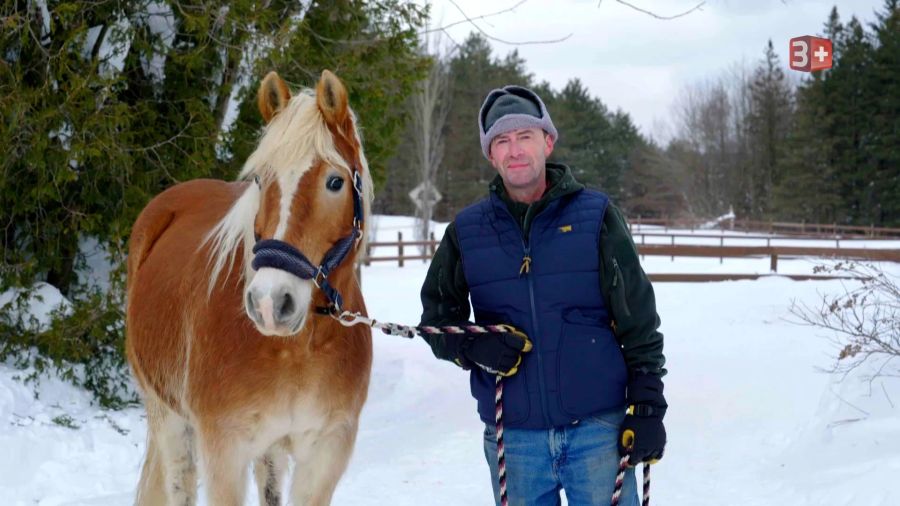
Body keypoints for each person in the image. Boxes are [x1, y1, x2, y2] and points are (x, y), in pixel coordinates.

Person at [418, 85, 667, 506]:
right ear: (491, 155)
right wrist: (473, 345)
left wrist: (647, 406)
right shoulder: (466, 231)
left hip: (598, 431)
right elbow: (437, 322)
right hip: (516, 443)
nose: (515, 150)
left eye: (525, 136)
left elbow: (638, 319)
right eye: (502, 140)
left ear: (547, 142)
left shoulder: (597, 216)